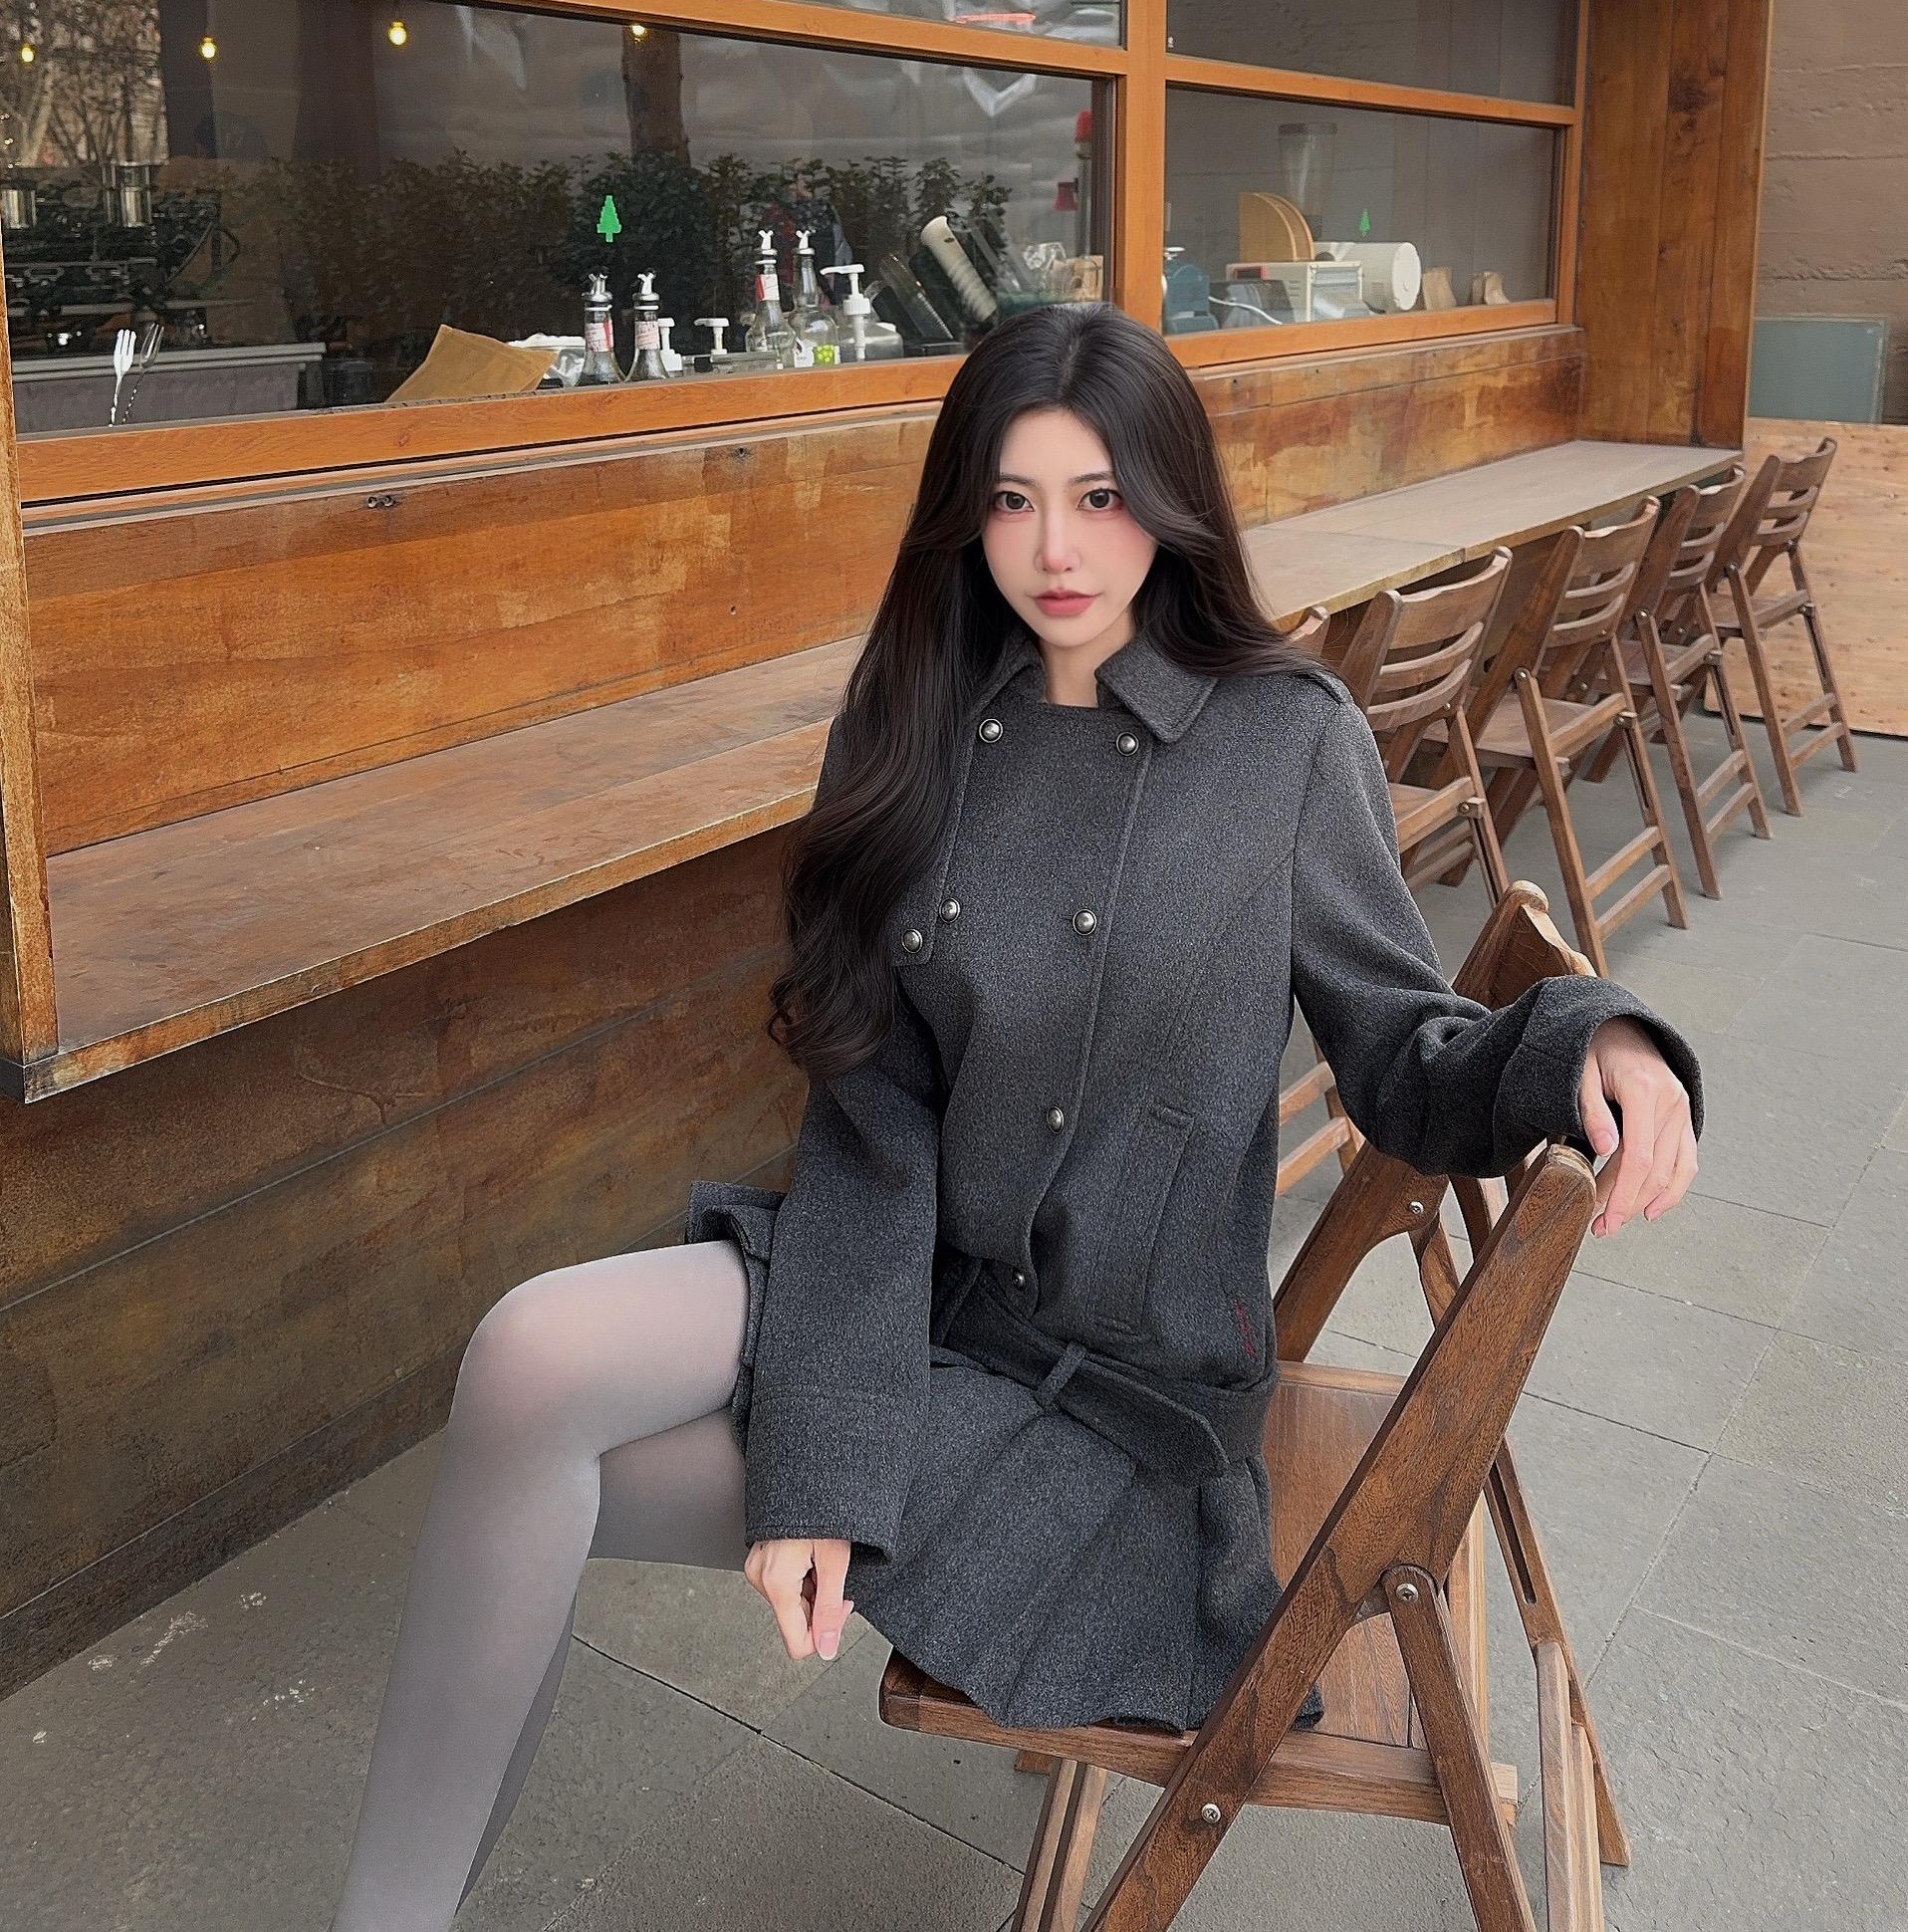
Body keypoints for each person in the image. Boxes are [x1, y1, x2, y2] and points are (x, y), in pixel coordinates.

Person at [330, 303, 1701, 1929]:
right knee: (526, 1361)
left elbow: (1408, 1053)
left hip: (1110, 1407)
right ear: (964, 512)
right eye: (1014, 498)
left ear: (1171, 502)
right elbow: (871, 1113)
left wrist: (1594, 1036)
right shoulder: (912, 718)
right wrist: (823, 1451)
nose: (1058, 548)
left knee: (543, 1490)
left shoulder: (1282, 741)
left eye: (1102, 497)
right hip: (904, 1276)